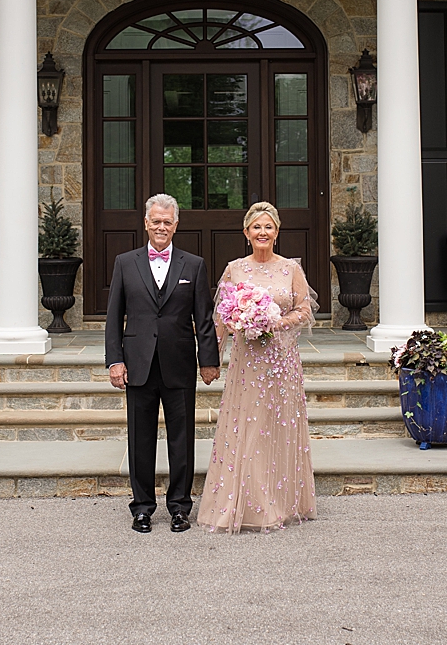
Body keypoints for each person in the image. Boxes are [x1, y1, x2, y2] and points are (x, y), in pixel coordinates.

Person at [198, 201, 317, 533]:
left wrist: (275, 322)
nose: (262, 232)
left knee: (277, 428)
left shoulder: (290, 269)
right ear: (246, 232)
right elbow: (221, 317)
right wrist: (212, 359)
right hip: (247, 363)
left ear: (277, 233)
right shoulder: (235, 269)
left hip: (281, 363)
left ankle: (279, 502)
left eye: (269, 227)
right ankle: (247, 504)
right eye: (256, 227)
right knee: (248, 429)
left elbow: (305, 309)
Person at [104, 194, 219, 533]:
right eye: (156, 220)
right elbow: (114, 317)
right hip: (138, 363)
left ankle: (180, 507)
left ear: (176, 225)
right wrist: (115, 360)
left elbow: (205, 318)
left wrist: (208, 359)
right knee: (140, 439)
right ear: (145, 223)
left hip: (179, 363)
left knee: (181, 439)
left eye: (167, 222)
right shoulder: (125, 263)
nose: (161, 227)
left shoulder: (194, 265)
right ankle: (141, 507)